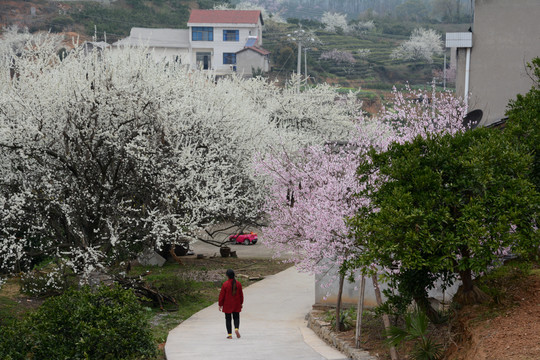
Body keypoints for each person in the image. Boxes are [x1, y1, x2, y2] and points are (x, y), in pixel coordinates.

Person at [218, 269, 244, 339]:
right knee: (236, 317)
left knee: (228, 319)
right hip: (236, 303)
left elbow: (222, 295)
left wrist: (220, 304)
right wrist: (241, 303)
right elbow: (241, 295)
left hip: (227, 304)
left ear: (227, 276)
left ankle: (229, 335)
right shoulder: (238, 284)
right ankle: (236, 329)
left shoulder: (225, 284)